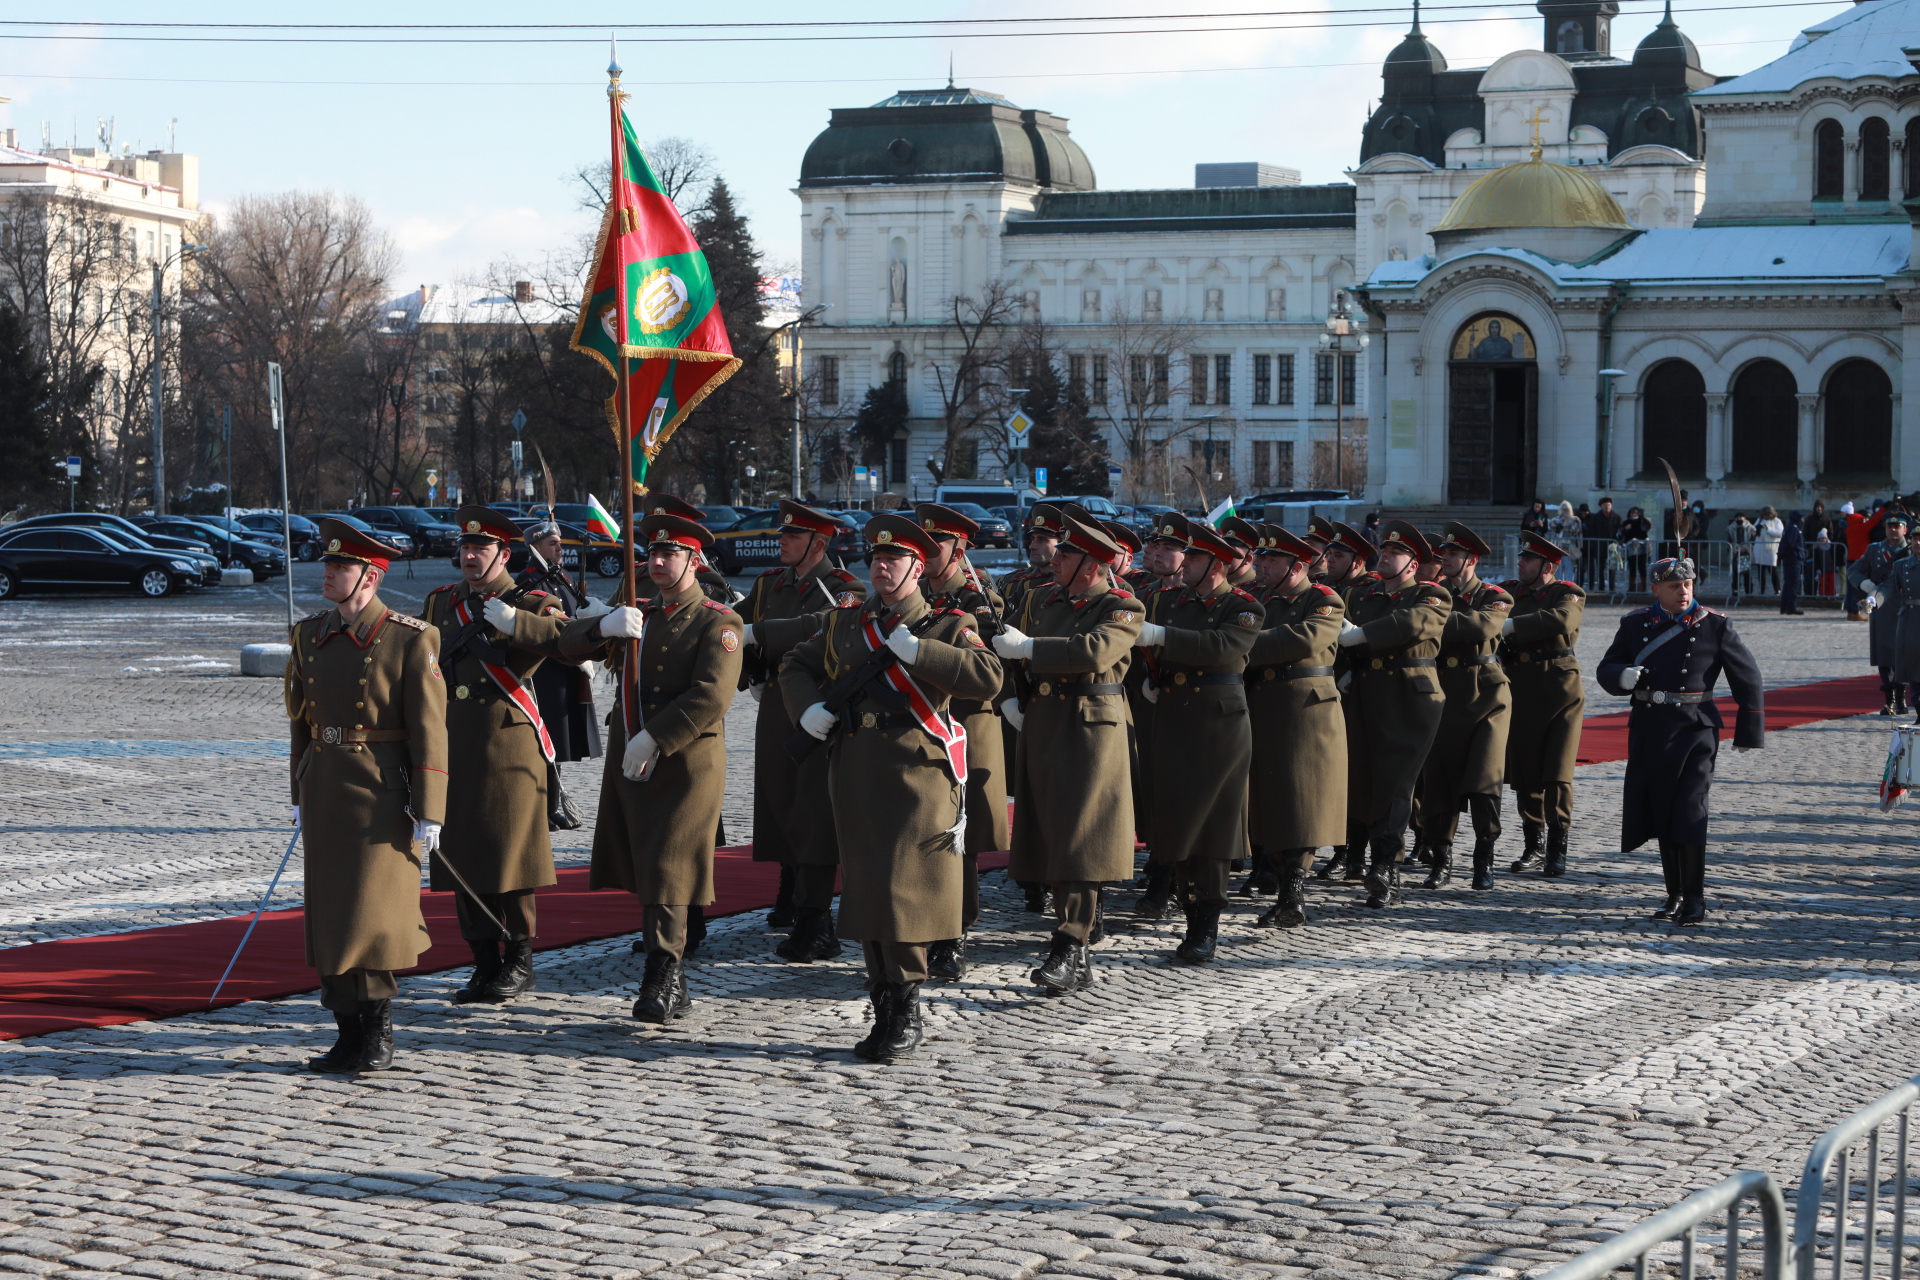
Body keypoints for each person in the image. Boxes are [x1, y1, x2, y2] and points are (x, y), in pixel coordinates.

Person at [779, 513, 1003, 1061]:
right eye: (876, 560)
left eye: (894, 560)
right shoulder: (847, 622)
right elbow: (795, 662)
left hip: (918, 772)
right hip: (855, 768)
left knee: (904, 890)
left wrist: (919, 653)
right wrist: (806, 708)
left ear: (918, 568)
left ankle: (905, 1006)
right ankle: (883, 1000)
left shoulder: (949, 624)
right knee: (868, 886)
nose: (882, 568)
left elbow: (989, 677)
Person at [554, 512, 743, 1024]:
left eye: (670, 555)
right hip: (631, 756)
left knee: (670, 863)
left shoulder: (718, 620)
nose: (657, 563)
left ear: (695, 562)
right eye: (652, 555)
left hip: (686, 762)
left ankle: (663, 973)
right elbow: (566, 648)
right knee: (645, 863)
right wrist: (602, 625)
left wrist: (656, 737)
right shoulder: (639, 613)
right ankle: (670, 973)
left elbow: (712, 695)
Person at [286, 518, 446, 1072]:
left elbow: (430, 728)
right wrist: (299, 786)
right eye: (328, 564)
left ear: (371, 577)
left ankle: (378, 1031)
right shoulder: (310, 634)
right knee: (330, 918)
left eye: (341, 566)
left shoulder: (411, 637)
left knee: (372, 917)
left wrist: (431, 808)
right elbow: (302, 721)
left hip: (383, 793)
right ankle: (346, 1031)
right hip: (327, 790)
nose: (328, 573)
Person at [421, 507, 575, 1007]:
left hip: (508, 743)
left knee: (511, 857)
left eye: (480, 549)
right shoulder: (441, 602)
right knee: (461, 852)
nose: (468, 556)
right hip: (451, 744)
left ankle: (520, 958)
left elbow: (565, 640)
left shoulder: (532, 601)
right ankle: (483, 959)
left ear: (504, 554)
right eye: (464, 549)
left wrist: (516, 623)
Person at [991, 514, 1142, 993]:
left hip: (1091, 729)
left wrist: (1031, 647)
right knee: (1051, 834)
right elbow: (1009, 650)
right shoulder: (1043, 598)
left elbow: (1094, 652)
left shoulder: (1122, 606)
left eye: (1066, 555)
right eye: (1057, 553)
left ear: (1093, 566)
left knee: (1082, 836)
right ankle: (1073, 948)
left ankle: (1070, 941)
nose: (1054, 560)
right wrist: (1011, 693)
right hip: (1044, 722)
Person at [1595, 557, 1764, 924]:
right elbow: (1606, 667)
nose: (1684, 592)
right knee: (1661, 812)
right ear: (1655, 590)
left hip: (1695, 730)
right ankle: (1673, 894)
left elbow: (1747, 677)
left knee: (1690, 811)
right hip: (1650, 728)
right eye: (1674, 587)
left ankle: (1695, 898)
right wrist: (1620, 676)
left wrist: (1750, 729)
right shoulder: (1635, 623)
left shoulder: (1714, 625)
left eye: (1688, 585)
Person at [737, 501, 867, 959]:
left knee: (812, 812)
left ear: (819, 543)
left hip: (819, 710)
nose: (782, 542)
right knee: (778, 804)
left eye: (792, 537)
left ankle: (817, 922)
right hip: (776, 706)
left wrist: (761, 633)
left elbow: (826, 625)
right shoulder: (769, 583)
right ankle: (791, 893)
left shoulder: (844, 588)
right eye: (783, 535)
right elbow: (736, 622)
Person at [1132, 514, 1263, 959]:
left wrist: (1163, 637)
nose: (1184, 562)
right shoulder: (1171, 601)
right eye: (1186, 554)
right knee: (1175, 820)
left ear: (1219, 564)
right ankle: (1182, 901)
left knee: (1212, 827)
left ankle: (1205, 925)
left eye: (1196, 555)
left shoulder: (1244, 606)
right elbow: (1150, 647)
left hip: (1218, 725)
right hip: (1172, 716)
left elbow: (1223, 648)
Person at [915, 502, 1013, 980]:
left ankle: (954, 934)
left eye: (940, 545)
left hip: (967, 724)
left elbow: (993, 665)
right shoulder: (912, 592)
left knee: (962, 834)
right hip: (919, 722)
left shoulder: (977, 599)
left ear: (960, 550)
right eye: (925, 543)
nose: (929, 552)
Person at [1334, 519, 1451, 908]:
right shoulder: (1364, 595)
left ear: (1414, 564)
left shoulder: (1431, 595)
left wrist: (1361, 636)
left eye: (1395, 553)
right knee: (1365, 782)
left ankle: (1386, 867)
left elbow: (1410, 624)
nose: (1385, 557)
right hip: (1366, 694)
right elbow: (1338, 634)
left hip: (1410, 699)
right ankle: (1373, 862)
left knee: (1396, 783)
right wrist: (1344, 668)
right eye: (1383, 551)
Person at [1244, 524, 1346, 926]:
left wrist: (1238, 644)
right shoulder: (1257, 599)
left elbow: (1302, 640)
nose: (1261, 566)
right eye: (1261, 558)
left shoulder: (1323, 599)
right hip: (1262, 702)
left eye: (1272, 560)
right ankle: (1279, 879)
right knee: (1268, 798)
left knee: (1302, 798)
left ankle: (1294, 888)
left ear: (1299, 565)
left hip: (1307, 708)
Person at [1421, 523, 1513, 891]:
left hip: (1487, 696)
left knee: (1484, 780)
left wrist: (1431, 620)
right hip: (1444, 694)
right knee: (1439, 782)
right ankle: (1440, 860)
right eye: (1443, 553)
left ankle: (1483, 858)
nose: (1444, 558)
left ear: (1471, 560)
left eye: (1453, 554)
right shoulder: (1434, 594)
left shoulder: (1496, 595)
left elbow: (1481, 627)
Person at [1500, 531, 1587, 877]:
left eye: (1528, 560)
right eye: (1521, 558)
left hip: (1560, 690)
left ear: (1547, 566)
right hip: (1521, 687)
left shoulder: (1567, 593)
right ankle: (1533, 845)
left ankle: (1557, 847)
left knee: (1558, 772)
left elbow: (1561, 620)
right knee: (1526, 773)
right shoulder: (1510, 592)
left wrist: (1509, 626)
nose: (1520, 564)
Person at [1128, 515, 1187, 917]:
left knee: (1179, 794)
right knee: (1150, 788)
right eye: (1156, 546)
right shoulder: (1146, 592)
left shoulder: (1202, 599)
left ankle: (1172, 879)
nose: (1159, 553)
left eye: (1170, 548)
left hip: (1190, 706)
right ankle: (1160, 865)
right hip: (1145, 704)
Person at [518, 519, 603, 786]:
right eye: (552, 544)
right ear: (535, 548)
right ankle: (548, 800)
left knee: (562, 738)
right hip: (547, 670)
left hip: (569, 666)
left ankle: (555, 796)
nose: (559, 548)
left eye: (560, 543)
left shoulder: (561, 576)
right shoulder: (529, 579)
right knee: (548, 736)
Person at [1319, 520, 1378, 885]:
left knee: (1358, 776)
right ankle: (1343, 850)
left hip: (1358, 690)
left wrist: (1355, 672)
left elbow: (1373, 634)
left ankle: (1355, 854)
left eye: (1338, 555)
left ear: (1358, 561)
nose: (1330, 560)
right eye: (1330, 553)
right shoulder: (1324, 590)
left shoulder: (1370, 590)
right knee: (1336, 776)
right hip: (1328, 690)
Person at [1848, 509, 1911, 713]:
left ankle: (1901, 697)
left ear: (1905, 529)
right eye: (1889, 526)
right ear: (1884, 528)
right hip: (1880, 607)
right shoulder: (1874, 550)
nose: (1893, 530)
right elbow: (1853, 571)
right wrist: (1865, 584)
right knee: (1884, 654)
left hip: (1904, 607)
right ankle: (1889, 699)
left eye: (1897, 526)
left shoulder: (1911, 550)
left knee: (1902, 654)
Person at [1585, 497, 1622, 591]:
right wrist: (1594, 542)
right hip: (1599, 546)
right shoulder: (1596, 517)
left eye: (1608, 505)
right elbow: (1591, 531)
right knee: (1600, 568)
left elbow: (1620, 530)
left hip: (1612, 546)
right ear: (1601, 506)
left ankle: (1612, 587)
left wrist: (1618, 542)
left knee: (1612, 567)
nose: (1607, 507)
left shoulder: (1616, 517)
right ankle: (1601, 587)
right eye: (1605, 505)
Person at [1619, 506, 1654, 593]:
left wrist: (1642, 516)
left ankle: (1644, 587)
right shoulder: (1626, 522)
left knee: (1642, 567)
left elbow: (1648, 526)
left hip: (1642, 548)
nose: (1634, 515)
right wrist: (1625, 529)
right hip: (1631, 547)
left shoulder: (1643, 521)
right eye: (1632, 513)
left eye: (1636, 513)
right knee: (1632, 568)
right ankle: (1631, 587)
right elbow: (1619, 533)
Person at [1778, 512, 1806, 615]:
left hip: (1791, 558)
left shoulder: (1790, 527)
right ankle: (1791, 607)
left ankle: (1785, 607)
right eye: (1802, 518)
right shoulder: (1794, 528)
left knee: (1788, 584)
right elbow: (1790, 544)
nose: (1803, 520)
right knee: (1793, 585)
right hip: (1794, 559)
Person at [1753, 506, 1784, 596]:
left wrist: (1769, 529)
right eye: (1764, 515)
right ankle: (1762, 590)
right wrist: (1757, 528)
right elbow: (1753, 530)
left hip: (1771, 549)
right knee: (1761, 572)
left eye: (1767, 515)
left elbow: (1780, 533)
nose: (1765, 517)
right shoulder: (1759, 520)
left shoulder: (1777, 521)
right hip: (1760, 548)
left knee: (1772, 570)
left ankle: (1777, 589)